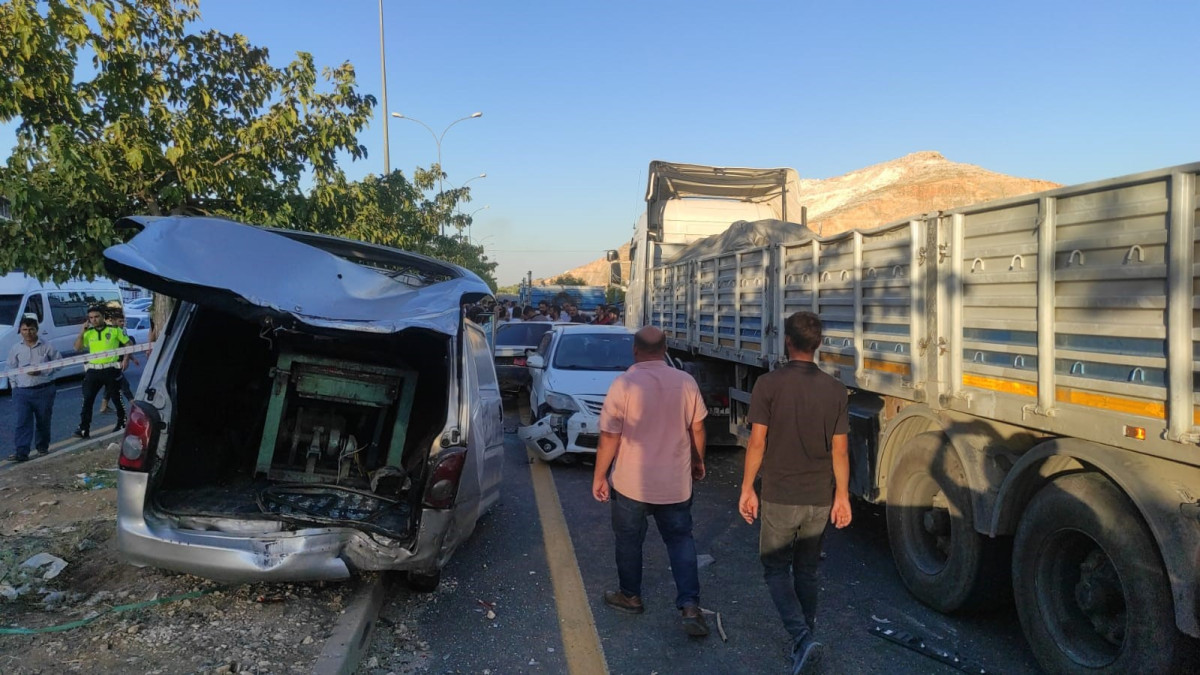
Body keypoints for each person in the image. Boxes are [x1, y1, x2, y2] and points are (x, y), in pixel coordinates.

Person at [738, 311, 851, 674]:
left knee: (774, 568)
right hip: (819, 496)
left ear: (788, 341)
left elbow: (757, 442)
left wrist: (747, 489)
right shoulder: (835, 390)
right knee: (806, 571)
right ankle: (805, 640)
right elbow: (841, 450)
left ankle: (802, 638)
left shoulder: (768, 385)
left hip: (780, 494)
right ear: (818, 345)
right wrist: (843, 497)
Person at [592, 326, 710, 637]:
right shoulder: (685, 382)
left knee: (629, 541)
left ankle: (630, 596)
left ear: (635, 350)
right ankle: (690, 607)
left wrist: (600, 475)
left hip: (632, 482)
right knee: (681, 540)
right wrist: (698, 461)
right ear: (666, 348)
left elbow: (609, 436)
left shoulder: (624, 384)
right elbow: (697, 429)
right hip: (675, 482)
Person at [6, 317, 61, 462]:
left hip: (44, 390)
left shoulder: (47, 346)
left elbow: (59, 364)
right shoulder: (16, 348)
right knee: (22, 422)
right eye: (25, 329)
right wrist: (14, 387)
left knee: (43, 421)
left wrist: (42, 371)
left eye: (31, 329)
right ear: (20, 331)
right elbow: (10, 368)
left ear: (37, 330)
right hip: (22, 392)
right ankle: (21, 452)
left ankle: (42, 448)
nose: (28, 332)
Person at [74, 305, 130, 439]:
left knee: (116, 397)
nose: (93, 320)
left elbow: (128, 344)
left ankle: (122, 422)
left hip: (111, 369)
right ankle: (83, 428)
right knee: (87, 399)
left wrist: (126, 359)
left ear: (103, 317)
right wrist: (82, 332)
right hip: (93, 371)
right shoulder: (89, 333)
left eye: (96, 316)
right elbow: (78, 348)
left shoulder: (115, 330)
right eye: (91, 318)